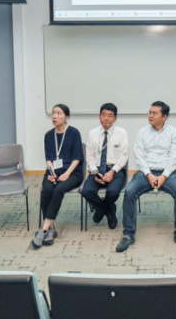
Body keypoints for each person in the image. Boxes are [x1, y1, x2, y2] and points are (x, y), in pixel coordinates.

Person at [116, 101, 176, 252]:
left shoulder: (174, 132)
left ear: (164, 116)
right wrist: (149, 174)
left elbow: (174, 157)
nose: (150, 115)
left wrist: (163, 176)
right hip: (146, 172)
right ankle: (128, 234)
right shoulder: (142, 132)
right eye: (149, 112)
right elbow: (139, 156)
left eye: (154, 113)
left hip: (168, 173)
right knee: (130, 192)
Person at [33, 103, 84, 249]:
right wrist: (51, 172)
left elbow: (77, 158)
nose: (55, 116)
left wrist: (67, 174)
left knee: (58, 190)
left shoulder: (74, 133)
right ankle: (51, 229)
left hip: (73, 172)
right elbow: (48, 159)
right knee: (47, 190)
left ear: (66, 117)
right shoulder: (49, 135)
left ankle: (43, 230)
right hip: (54, 172)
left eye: (59, 113)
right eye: (53, 113)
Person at [81, 103, 129, 229]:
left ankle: (101, 209)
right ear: (99, 116)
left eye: (110, 116)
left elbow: (124, 156)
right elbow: (90, 156)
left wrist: (112, 172)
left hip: (116, 169)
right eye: (103, 115)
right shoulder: (92, 133)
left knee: (113, 192)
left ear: (115, 118)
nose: (106, 118)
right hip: (97, 169)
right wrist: (94, 172)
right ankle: (107, 210)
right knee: (86, 191)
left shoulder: (121, 133)